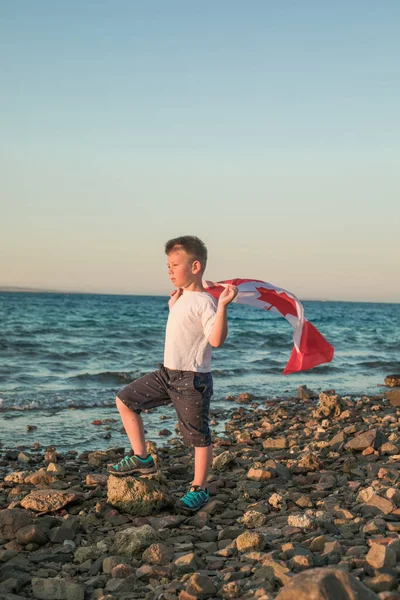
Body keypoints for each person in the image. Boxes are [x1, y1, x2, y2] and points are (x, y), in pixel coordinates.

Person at [107, 236, 237, 513]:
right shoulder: (180, 298)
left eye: (175, 264)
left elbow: (215, 340)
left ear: (195, 266)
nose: (169, 270)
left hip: (192, 381)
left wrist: (223, 306)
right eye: (167, 265)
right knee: (125, 399)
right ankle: (142, 458)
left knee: (197, 437)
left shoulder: (206, 302)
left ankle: (199, 488)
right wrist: (172, 307)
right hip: (166, 374)